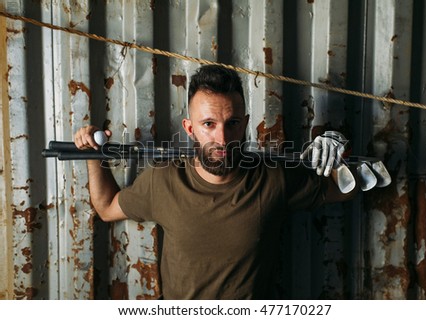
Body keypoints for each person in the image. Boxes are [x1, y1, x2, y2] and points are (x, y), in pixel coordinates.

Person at [74, 65, 358, 299]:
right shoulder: (163, 180)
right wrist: (92, 155)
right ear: (190, 128)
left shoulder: (274, 178)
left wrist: (336, 149)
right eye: (208, 124)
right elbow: (107, 207)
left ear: (245, 123)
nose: (222, 139)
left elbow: (345, 190)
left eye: (232, 123)